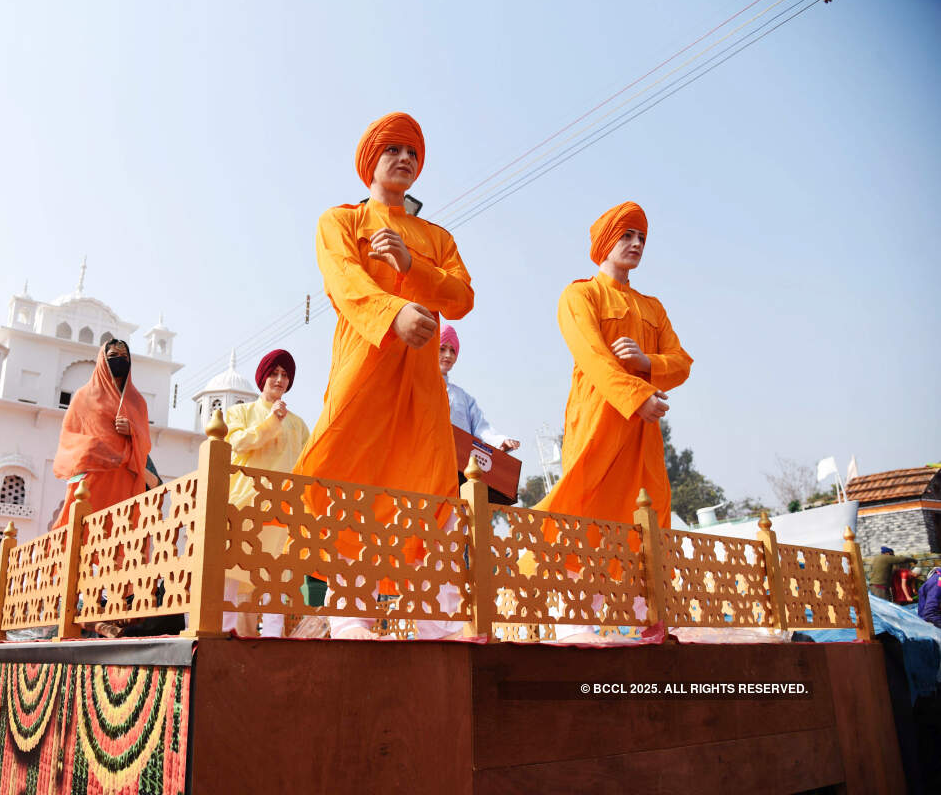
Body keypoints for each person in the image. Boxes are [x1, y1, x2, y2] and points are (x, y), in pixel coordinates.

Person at [292, 111, 474, 639]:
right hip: (364, 371)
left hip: (420, 386)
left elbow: (462, 296)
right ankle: (352, 615)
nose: (404, 159)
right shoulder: (341, 221)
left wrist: (414, 269)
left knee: (428, 483)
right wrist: (394, 313)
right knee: (350, 477)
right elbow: (343, 279)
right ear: (371, 160)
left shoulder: (434, 237)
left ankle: (431, 619)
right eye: (393, 150)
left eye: (413, 153)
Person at [535, 202, 692, 529]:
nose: (637, 244)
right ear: (606, 241)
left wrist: (646, 361)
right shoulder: (580, 295)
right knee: (583, 517)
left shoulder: (653, 307)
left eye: (642, 238)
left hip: (643, 435)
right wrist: (637, 397)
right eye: (627, 235)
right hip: (599, 424)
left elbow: (681, 364)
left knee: (648, 520)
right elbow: (592, 355)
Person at [221, 349, 310, 638]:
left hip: (280, 508)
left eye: (285, 375)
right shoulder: (239, 413)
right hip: (243, 503)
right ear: (262, 377)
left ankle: (273, 636)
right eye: (274, 373)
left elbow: (307, 465)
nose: (279, 379)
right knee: (230, 570)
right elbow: (237, 444)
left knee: (275, 575)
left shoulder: (298, 424)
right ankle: (224, 633)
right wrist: (271, 421)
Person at [51, 339, 158, 530]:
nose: (120, 360)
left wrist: (132, 431)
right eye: (113, 356)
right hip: (95, 474)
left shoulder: (137, 402)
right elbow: (69, 436)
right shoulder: (83, 396)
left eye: (124, 357)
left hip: (125, 478)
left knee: (118, 531)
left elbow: (145, 442)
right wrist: (96, 448)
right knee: (84, 529)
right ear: (103, 360)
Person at [439, 324, 519, 452]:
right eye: (442, 349)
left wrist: (500, 441)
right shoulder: (417, 387)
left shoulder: (462, 397)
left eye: (452, 350)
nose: (448, 355)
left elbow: (480, 429)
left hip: (459, 465)